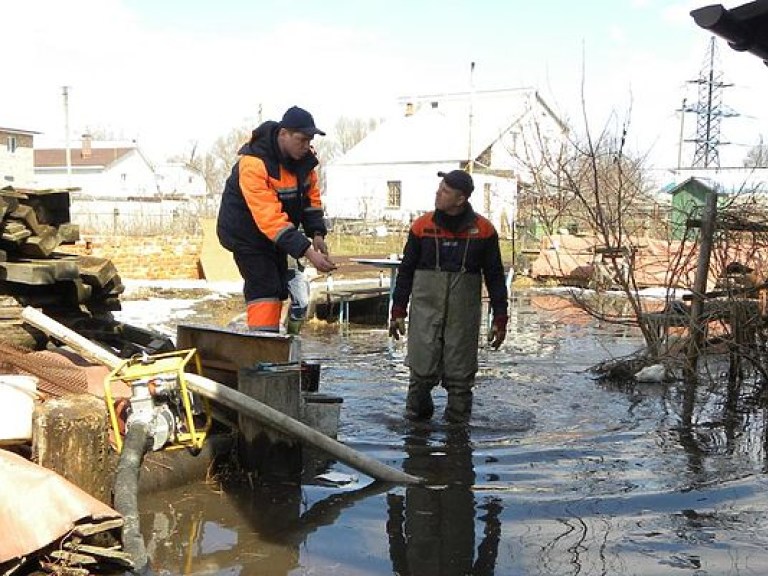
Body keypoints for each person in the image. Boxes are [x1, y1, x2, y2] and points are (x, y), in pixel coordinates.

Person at [388, 169, 508, 423]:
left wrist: (501, 317)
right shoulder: (422, 227)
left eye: (445, 191)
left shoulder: (484, 231)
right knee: (419, 374)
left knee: (460, 379)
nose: (437, 193)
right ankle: (416, 432)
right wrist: (398, 310)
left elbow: (495, 276)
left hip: (463, 316)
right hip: (425, 311)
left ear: (460, 199)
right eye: (439, 188)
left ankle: (458, 440)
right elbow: (406, 271)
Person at [217, 105, 336, 333]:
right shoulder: (254, 163)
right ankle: (264, 346)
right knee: (265, 287)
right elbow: (269, 218)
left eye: (309, 140)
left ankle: (281, 342)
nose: (306, 146)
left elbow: (311, 198)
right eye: (301, 139)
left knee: (282, 287)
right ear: (283, 134)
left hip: (275, 235)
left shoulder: (305, 161)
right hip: (245, 233)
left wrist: (317, 233)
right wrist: (309, 253)